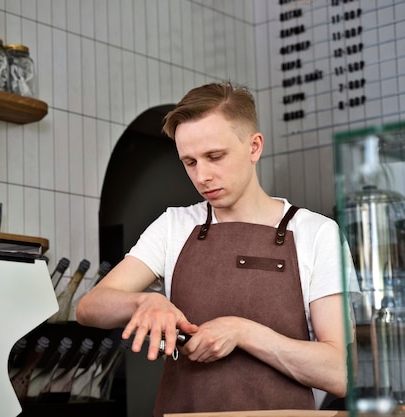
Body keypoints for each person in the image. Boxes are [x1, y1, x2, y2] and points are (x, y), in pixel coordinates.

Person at [76, 82, 359, 415]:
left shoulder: (316, 233)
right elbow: (89, 307)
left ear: (254, 147)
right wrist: (145, 300)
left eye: (215, 157)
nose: (202, 176)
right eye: (190, 162)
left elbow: (342, 373)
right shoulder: (174, 226)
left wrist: (242, 332)